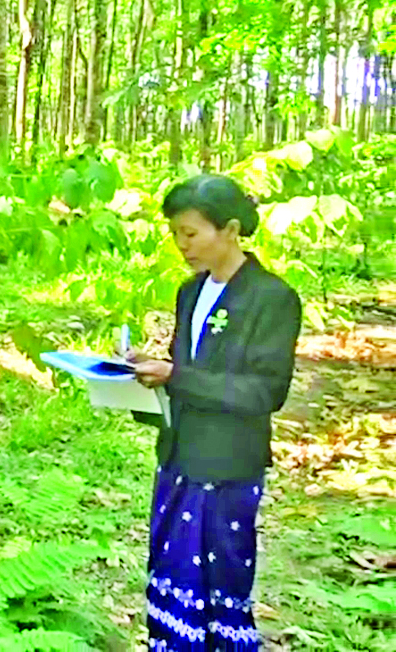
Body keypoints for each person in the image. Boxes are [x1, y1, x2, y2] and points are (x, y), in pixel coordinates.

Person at [128, 174, 301, 652]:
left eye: (191, 233)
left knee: (221, 579)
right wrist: (139, 379)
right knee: (170, 572)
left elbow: (265, 392)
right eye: (175, 234)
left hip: (227, 465)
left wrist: (175, 376)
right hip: (178, 456)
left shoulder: (271, 298)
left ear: (230, 230)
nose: (182, 245)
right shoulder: (190, 292)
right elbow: (185, 369)